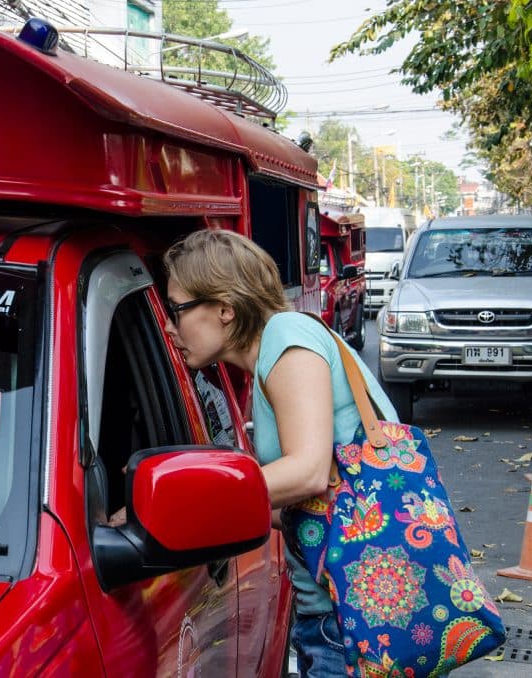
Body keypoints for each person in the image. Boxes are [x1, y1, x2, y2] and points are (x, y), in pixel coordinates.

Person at [162, 229, 399, 678]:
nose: (170, 328)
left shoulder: (287, 339)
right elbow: (315, 503)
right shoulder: (271, 358)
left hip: (351, 626)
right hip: (341, 616)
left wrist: (182, 500)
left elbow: (308, 473)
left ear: (225, 308)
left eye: (177, 310)